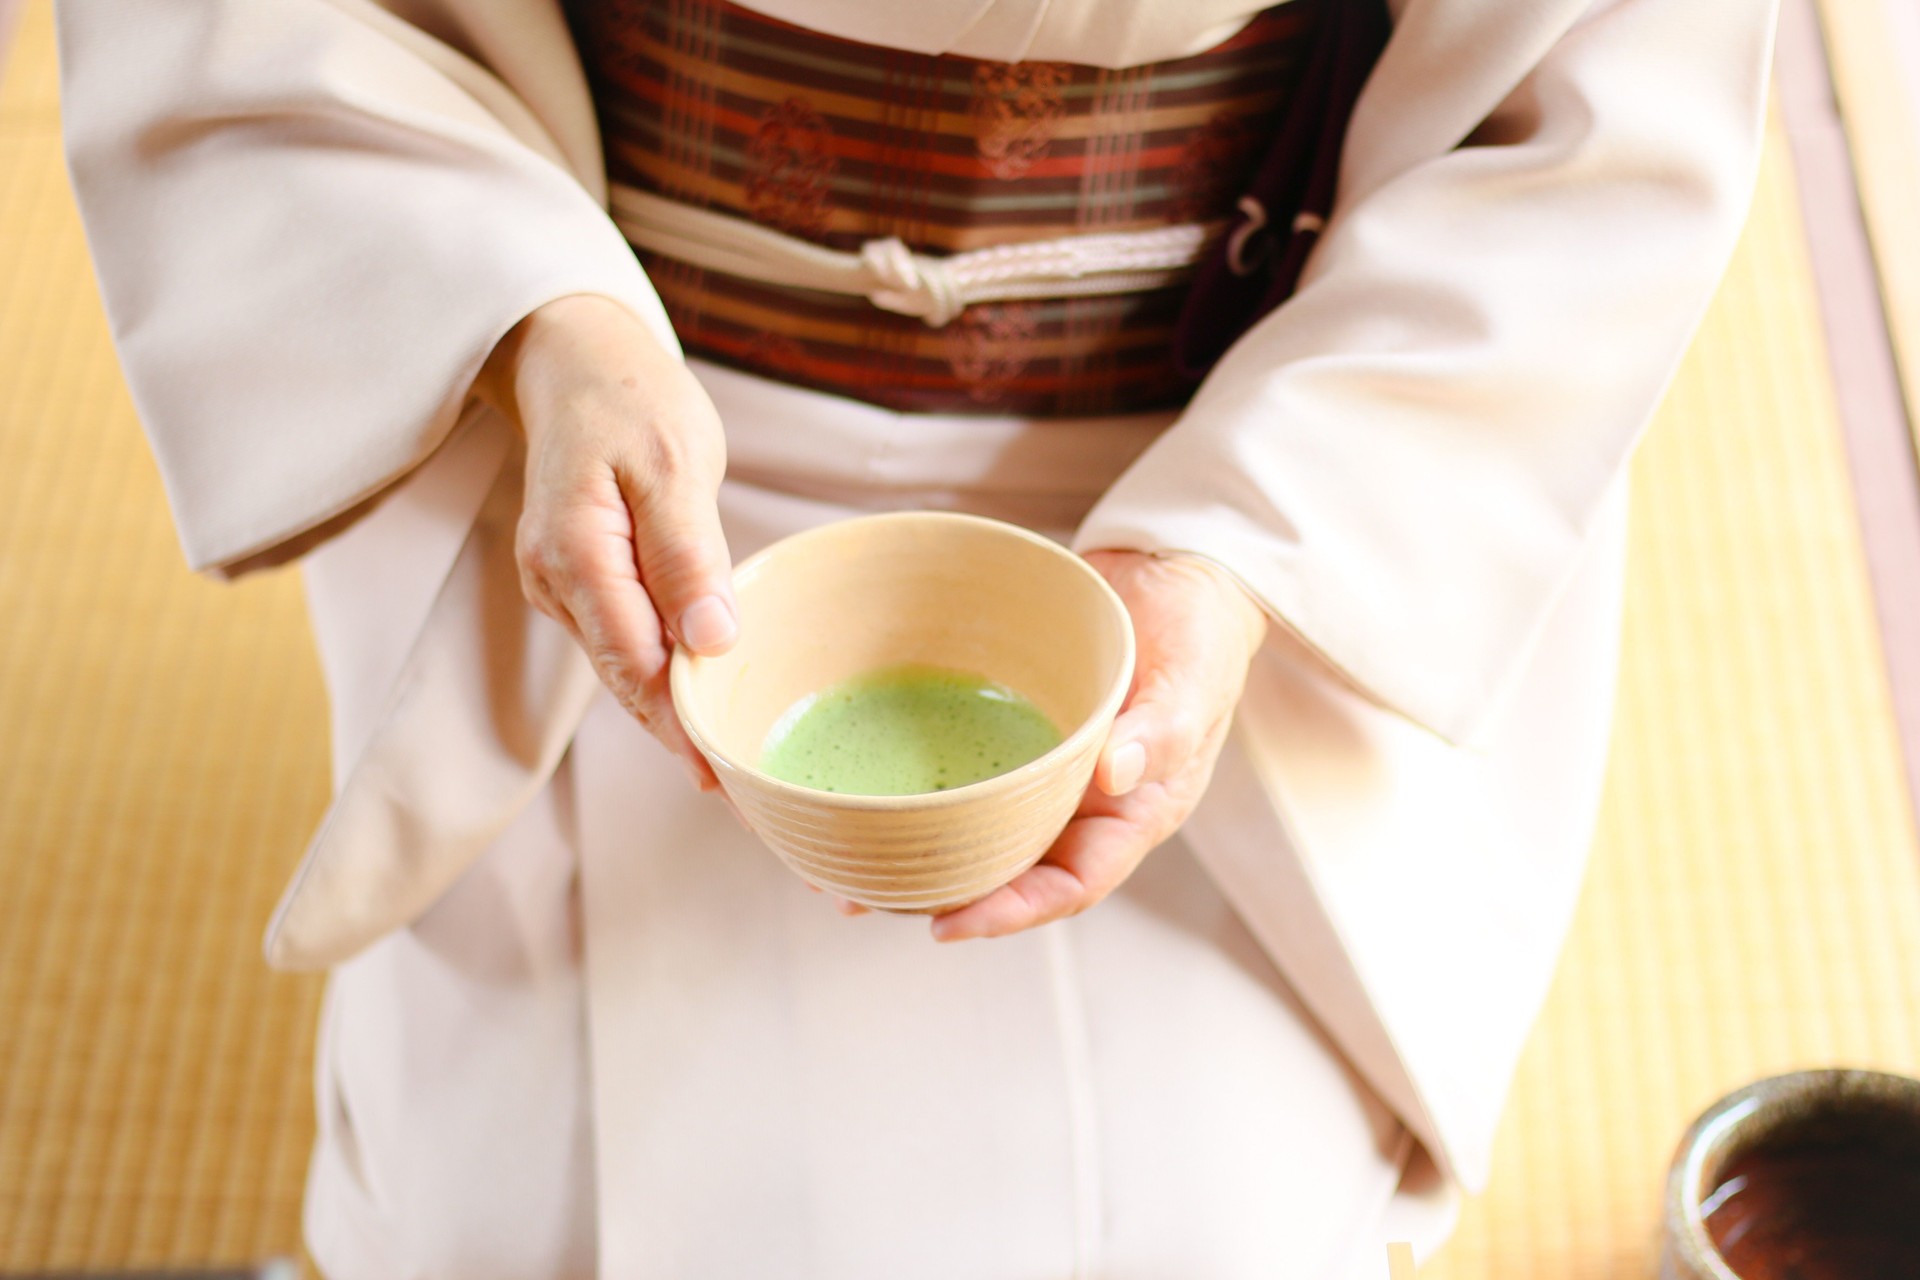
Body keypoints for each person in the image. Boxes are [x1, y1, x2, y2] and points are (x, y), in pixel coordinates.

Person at [57, 0, 1776, 1275]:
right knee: (497, 1222)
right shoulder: (581, 368)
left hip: (1232, 437)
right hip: (632, 423)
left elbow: (1601, 128)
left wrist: (1247, 558)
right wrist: (538, 325)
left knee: (1216, 1227)